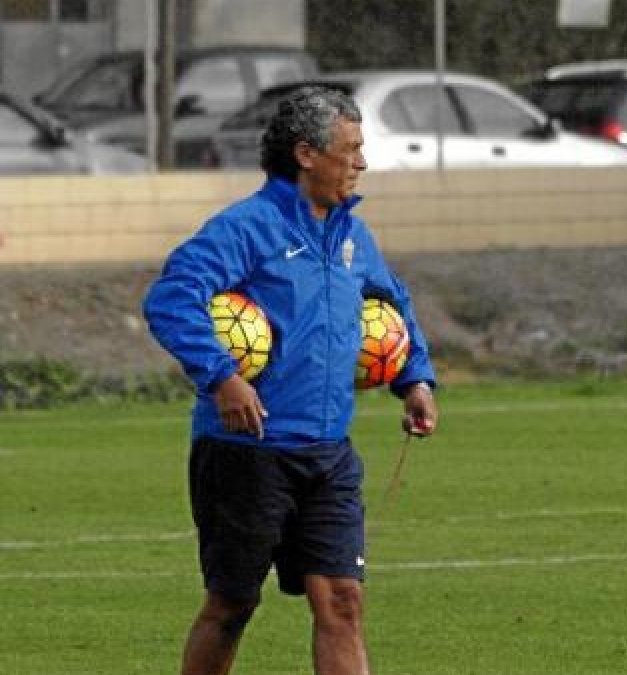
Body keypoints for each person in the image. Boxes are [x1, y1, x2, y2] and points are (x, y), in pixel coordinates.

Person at [143, 86, 439, 675]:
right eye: (350, 149)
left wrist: (415, 380)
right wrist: (222, 378)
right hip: (245, 452)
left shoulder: (353, 236)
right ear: (306, 154)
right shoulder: (247, 228)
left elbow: (393, 306)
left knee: (343, 601)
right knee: (232, 605)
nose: (361, 163)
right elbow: (172, 298)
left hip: (328, 454)